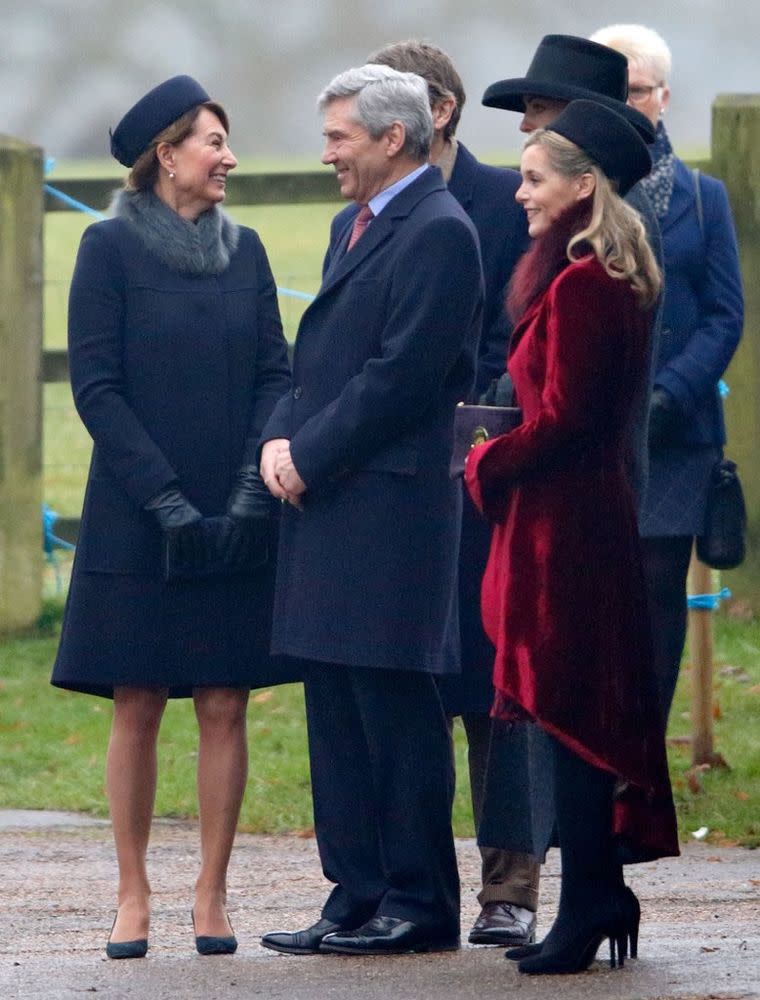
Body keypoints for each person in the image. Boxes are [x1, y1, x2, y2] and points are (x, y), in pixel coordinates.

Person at [50, 75, 292, 958]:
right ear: (167, 155)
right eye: (213, 142)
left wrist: (240, 493)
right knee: (139, 699)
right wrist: (163, 500)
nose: (228, 158)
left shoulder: (251, 249)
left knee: (225, 700)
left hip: (233, 510)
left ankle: (211, 895)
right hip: (135, 511)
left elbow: (276, 371)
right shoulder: (106, 249)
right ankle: (132, 896)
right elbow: (96, 386)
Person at [258, 63, 483, 957]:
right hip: (329, 504)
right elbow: (320, 360)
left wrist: (307, 455)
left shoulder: (440, 232)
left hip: (390, 511)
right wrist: (280, 436)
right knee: (336, 704)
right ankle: (354, 891)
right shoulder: (351, 227)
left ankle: (419, 901)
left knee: (392, 706)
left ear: (394, 138)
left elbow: (401, 377)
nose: (327, 155)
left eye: (340, 138)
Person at [464, 99, 680, 976]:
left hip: (572, 535)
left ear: (583, 185)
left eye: (534, 177)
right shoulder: (575, 276)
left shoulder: (591, 285)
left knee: (574, 716)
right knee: (564, 719)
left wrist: (486, 459)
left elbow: (570, 421)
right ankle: (594, 892)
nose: (520, 192)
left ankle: (591, 898)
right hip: (562, 522)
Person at [366, 40, 538, 947]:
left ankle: (510, 882)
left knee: (492, 686)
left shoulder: (505, 197)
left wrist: (472, 426)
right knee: (413, 687)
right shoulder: (367, 210)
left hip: (478, 477)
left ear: (436, 109)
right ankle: (412, 882)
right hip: (393, 487)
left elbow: (517, 333)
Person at [590, 23, 744, 722]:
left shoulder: (703, 198)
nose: (625, 104)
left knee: (655, 595)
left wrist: (667, 396)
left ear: (664, 97)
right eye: (610, 92)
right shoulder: (567, 189)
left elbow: (724, 315)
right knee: (587, 596)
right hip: (585, 425)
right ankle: (585, 768)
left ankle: (639, 769)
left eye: (637, 91)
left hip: (673, 436)